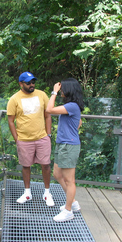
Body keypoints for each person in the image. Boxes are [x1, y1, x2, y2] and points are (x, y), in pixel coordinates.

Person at [7, 72, 54, 206]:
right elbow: (11, 121)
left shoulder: (42, 95)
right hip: (24, 140)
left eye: (33, 82)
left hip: (42, 138)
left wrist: (48, 135)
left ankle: (47, 193)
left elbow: (48, 116)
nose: (32, 84)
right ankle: (27, 193)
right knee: (26, 166)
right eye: (28, 83)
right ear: (21, 84)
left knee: (45, 165)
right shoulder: (14, 99)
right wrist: (17, 139)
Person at [46, 78, 84, 222]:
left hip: (69, 145)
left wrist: (53, 92)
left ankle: (68, 211)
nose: (61, 91)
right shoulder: (71, 106)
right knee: (57, 174)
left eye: (62, 89)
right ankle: (72, 202)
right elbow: (78, 122)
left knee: (69, 180)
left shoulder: (72, 106)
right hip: (63, 144)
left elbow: (49, 110)